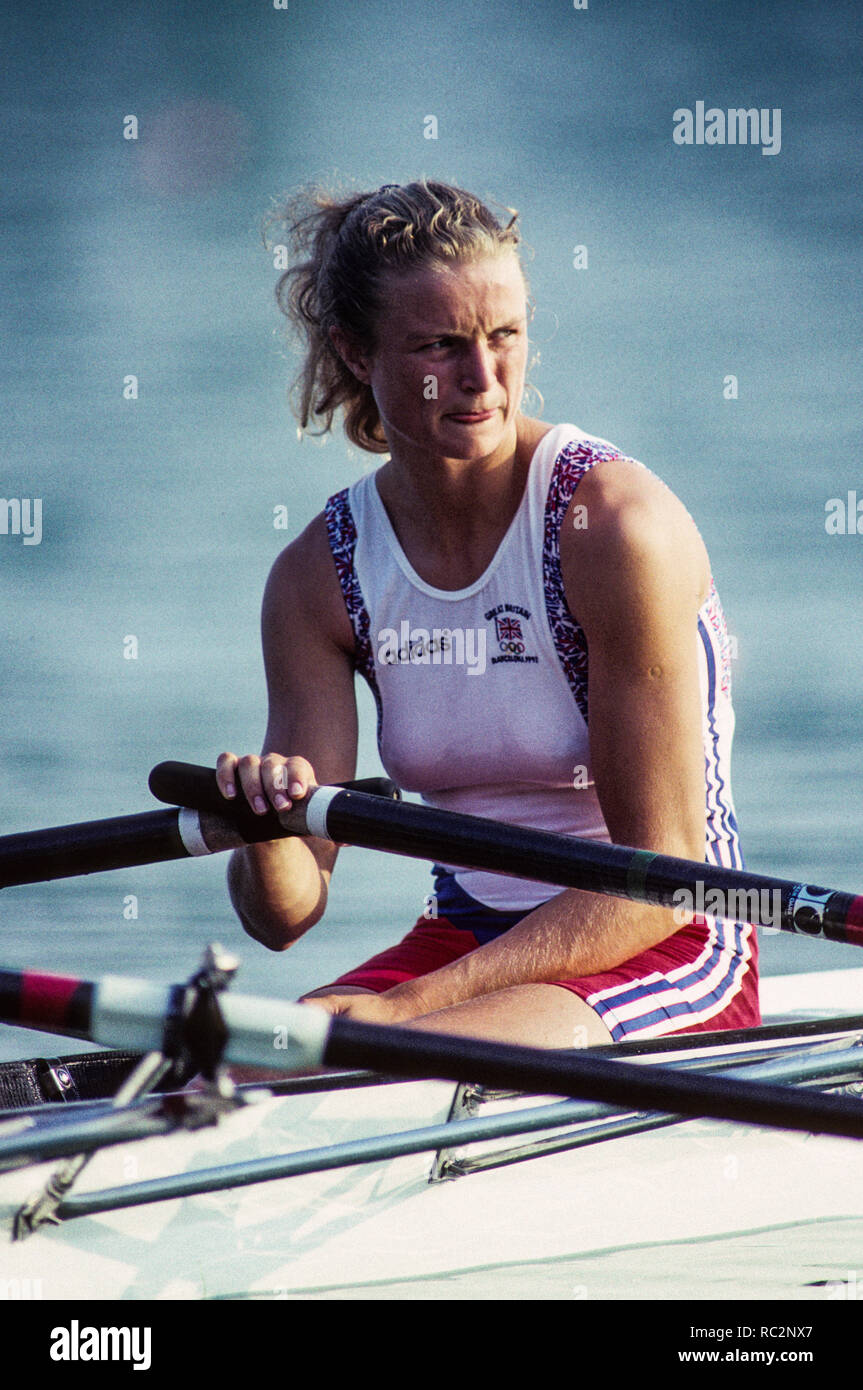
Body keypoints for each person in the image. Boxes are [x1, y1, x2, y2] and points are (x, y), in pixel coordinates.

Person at [216, 178, 759, 1048]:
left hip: (666, 936)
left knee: (399, 1059)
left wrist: (405, 1010)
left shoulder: (615, 527)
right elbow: (283, 918)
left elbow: (664, 876)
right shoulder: (317, 575)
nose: (483, 378)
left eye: (504, 336)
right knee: (245, 1067)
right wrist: (263, 828)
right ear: (356, 352)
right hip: (466, 938)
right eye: (439, 345)